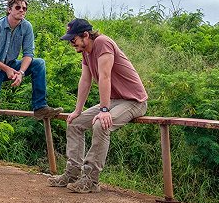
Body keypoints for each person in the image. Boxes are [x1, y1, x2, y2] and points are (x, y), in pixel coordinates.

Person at [49, 18, 148, 193]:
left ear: (86, 35)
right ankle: (71, 174)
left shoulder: (103, 43)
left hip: (134, 101)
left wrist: (103, 110)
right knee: (75, 123)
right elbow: (85, 80)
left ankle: (91, 180)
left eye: (73, 39)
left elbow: (104, 76)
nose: (72, 44)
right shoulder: (85, 51)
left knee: (101, 124)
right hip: (114, 101)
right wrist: (78, 110)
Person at [0, 0, 61, 171]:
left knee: (39, 64)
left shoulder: (26, 27)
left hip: (11, 65)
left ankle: (40, 106)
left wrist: (20, 72)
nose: (22, 11)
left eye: (24, 8)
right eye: (18, 8)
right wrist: (7, 70)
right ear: (9, 9)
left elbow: (28, 53)